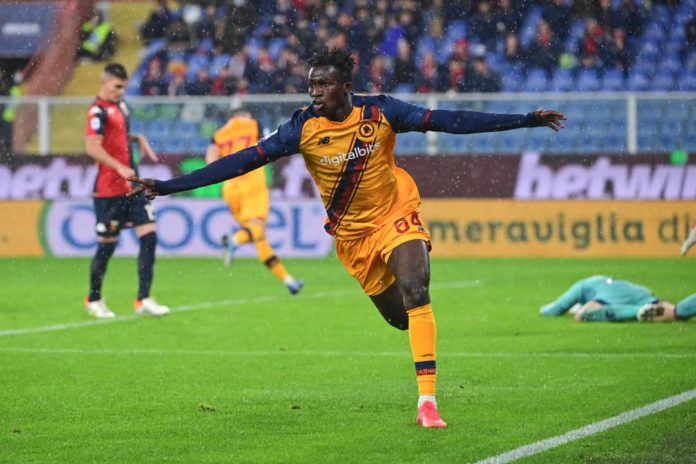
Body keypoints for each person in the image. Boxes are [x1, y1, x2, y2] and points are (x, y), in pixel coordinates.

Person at [128, 47, 566, 428]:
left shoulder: (381, 112)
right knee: (401, 318)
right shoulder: (301, 128)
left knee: (417, 289)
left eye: (323, 84)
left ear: (345, 87)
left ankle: (427, 402)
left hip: (396, 213)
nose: (315, 92)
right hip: (352, 237)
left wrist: (523, 120)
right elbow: (241, 161)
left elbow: (449, 121)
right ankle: (418, 335)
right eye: (311, 85)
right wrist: (167, 186)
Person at [84, 63, 170, 318]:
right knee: (107, 247)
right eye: (117, 86)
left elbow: (118, 136)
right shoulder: (97, 111)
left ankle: (143, 299)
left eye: (124, 87)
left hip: (132, 188)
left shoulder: (121, 107)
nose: (121, 91)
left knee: (149, 237)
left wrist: (136, 138)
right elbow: (92, 147)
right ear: (104, 83)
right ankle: (94, 299)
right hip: (109, 190)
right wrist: (119, 166)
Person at [206, 106, 303, 295]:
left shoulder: (218, 134)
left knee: (257, 234)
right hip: (252, 181)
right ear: (246, 115)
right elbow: (270, 146)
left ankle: (288, 280)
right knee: (256, 227)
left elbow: (211, 163)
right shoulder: (253, 124)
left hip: (230, 187)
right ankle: (233, 240)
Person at [539, 275, 696, 323]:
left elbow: (556, 309)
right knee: (675, 312)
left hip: (610, 296)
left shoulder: (582, 285)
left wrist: (543, 309)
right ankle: (650, 309)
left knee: (582, 315)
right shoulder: (605, 280)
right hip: (640, 292)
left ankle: (637, 312)